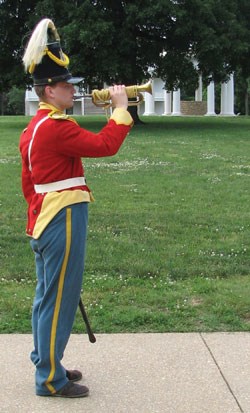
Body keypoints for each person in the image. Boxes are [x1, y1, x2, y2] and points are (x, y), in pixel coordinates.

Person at [19, 18, 133, 398]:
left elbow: (28, 184)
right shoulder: (56, 127)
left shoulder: (35, 127)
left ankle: (46, 359)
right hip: (63, 217)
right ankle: (50, 379)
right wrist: (120, 108)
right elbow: (105, 146)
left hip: (44, 217)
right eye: (67, 85)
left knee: (46, 297)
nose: (73, 90)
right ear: (48, 90)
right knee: (60, 299)